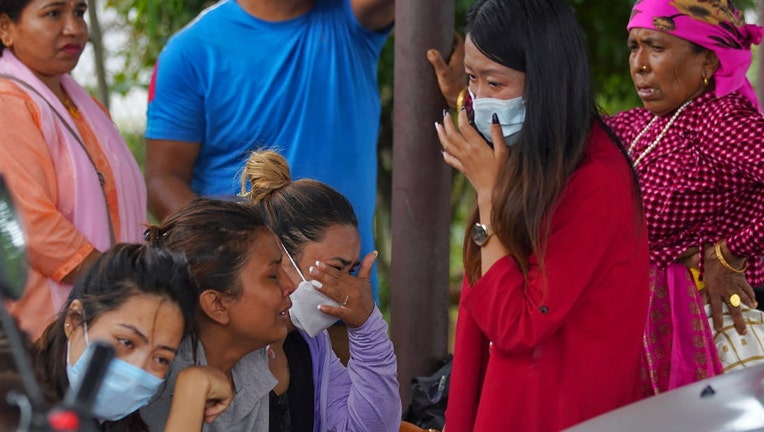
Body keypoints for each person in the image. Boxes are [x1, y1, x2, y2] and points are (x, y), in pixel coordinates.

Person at [432, 0, 650, 430]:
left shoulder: (594, 181)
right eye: (472, 80)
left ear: (547, 82)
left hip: (557, 408)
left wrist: (489, 193)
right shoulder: (528, 152)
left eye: (495, 82)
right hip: (512, 393)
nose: (479, 100)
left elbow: (518, 325)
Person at [144, 0, 396, 301]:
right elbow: (163, 179)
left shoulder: (349, 19)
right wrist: (238, 252)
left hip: (341, 299)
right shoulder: (191, 50)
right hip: (245, 301)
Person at [604, 0, 764, 394]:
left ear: (708, 61)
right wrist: (471, 95)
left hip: (719, 325)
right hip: (656, 323)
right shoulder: (641, 124)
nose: (639, 64)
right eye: (634, 46)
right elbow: (555, 139)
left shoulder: (720, 120)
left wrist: (732, 251)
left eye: (656, 47)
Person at [0, 0, 146, 340]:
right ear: (5, 28)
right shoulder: (8, 100)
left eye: (79, 13)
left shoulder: (78, 100)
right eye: (53, 14)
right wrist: (124, 278)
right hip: (46, 327)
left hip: (112, 308)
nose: (74, 28)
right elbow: (30, 223)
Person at [239, 150, 400, 432]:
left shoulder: (311, 344)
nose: (345, 288)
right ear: (278, 254)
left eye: (350, 272)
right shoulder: (232, 339)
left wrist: (367, 327)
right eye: (335, 269)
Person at [27, 243, 233, 431]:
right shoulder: (14, 406)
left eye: (161, 359)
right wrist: (192, 391)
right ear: (75, 321)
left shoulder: (122, 425)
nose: (137, 368)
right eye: (126, 342)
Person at [140, 197, 295, 432]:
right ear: (217, 304)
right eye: (273, 275)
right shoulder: (157, 380)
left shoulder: (250, 360)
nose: (290, 285)